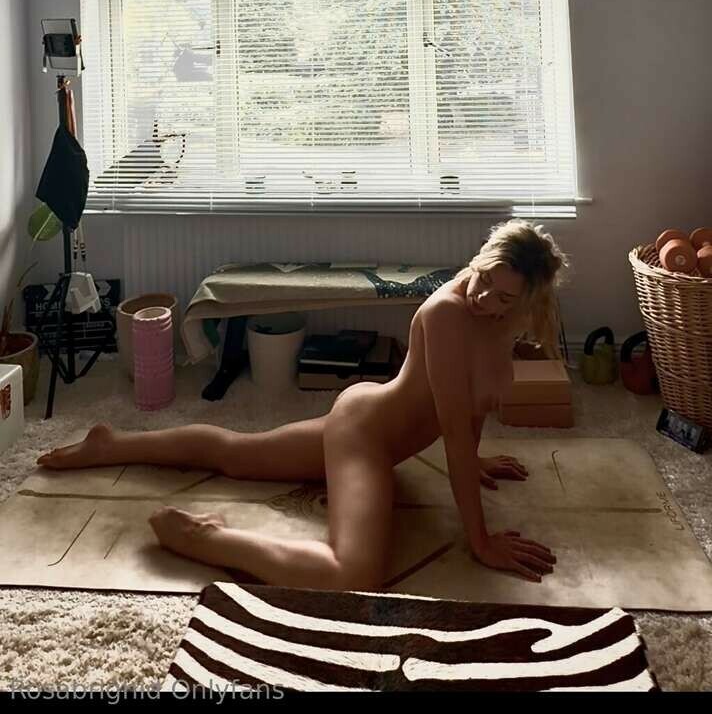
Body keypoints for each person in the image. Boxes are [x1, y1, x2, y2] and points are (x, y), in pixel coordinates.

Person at [37, 220, 567, 592]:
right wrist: (480, 540)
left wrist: (475, 459)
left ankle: (111, 442)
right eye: (484, 279)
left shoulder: (504, 316)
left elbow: (474, 402)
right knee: (352, 575)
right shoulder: (448, 315)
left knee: (237, 454)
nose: (484, 297)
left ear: (525, 300)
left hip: (368, 418)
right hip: (368, 439)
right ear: (479, 260)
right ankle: (207, 537)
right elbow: (452, 424)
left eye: (503, 296)